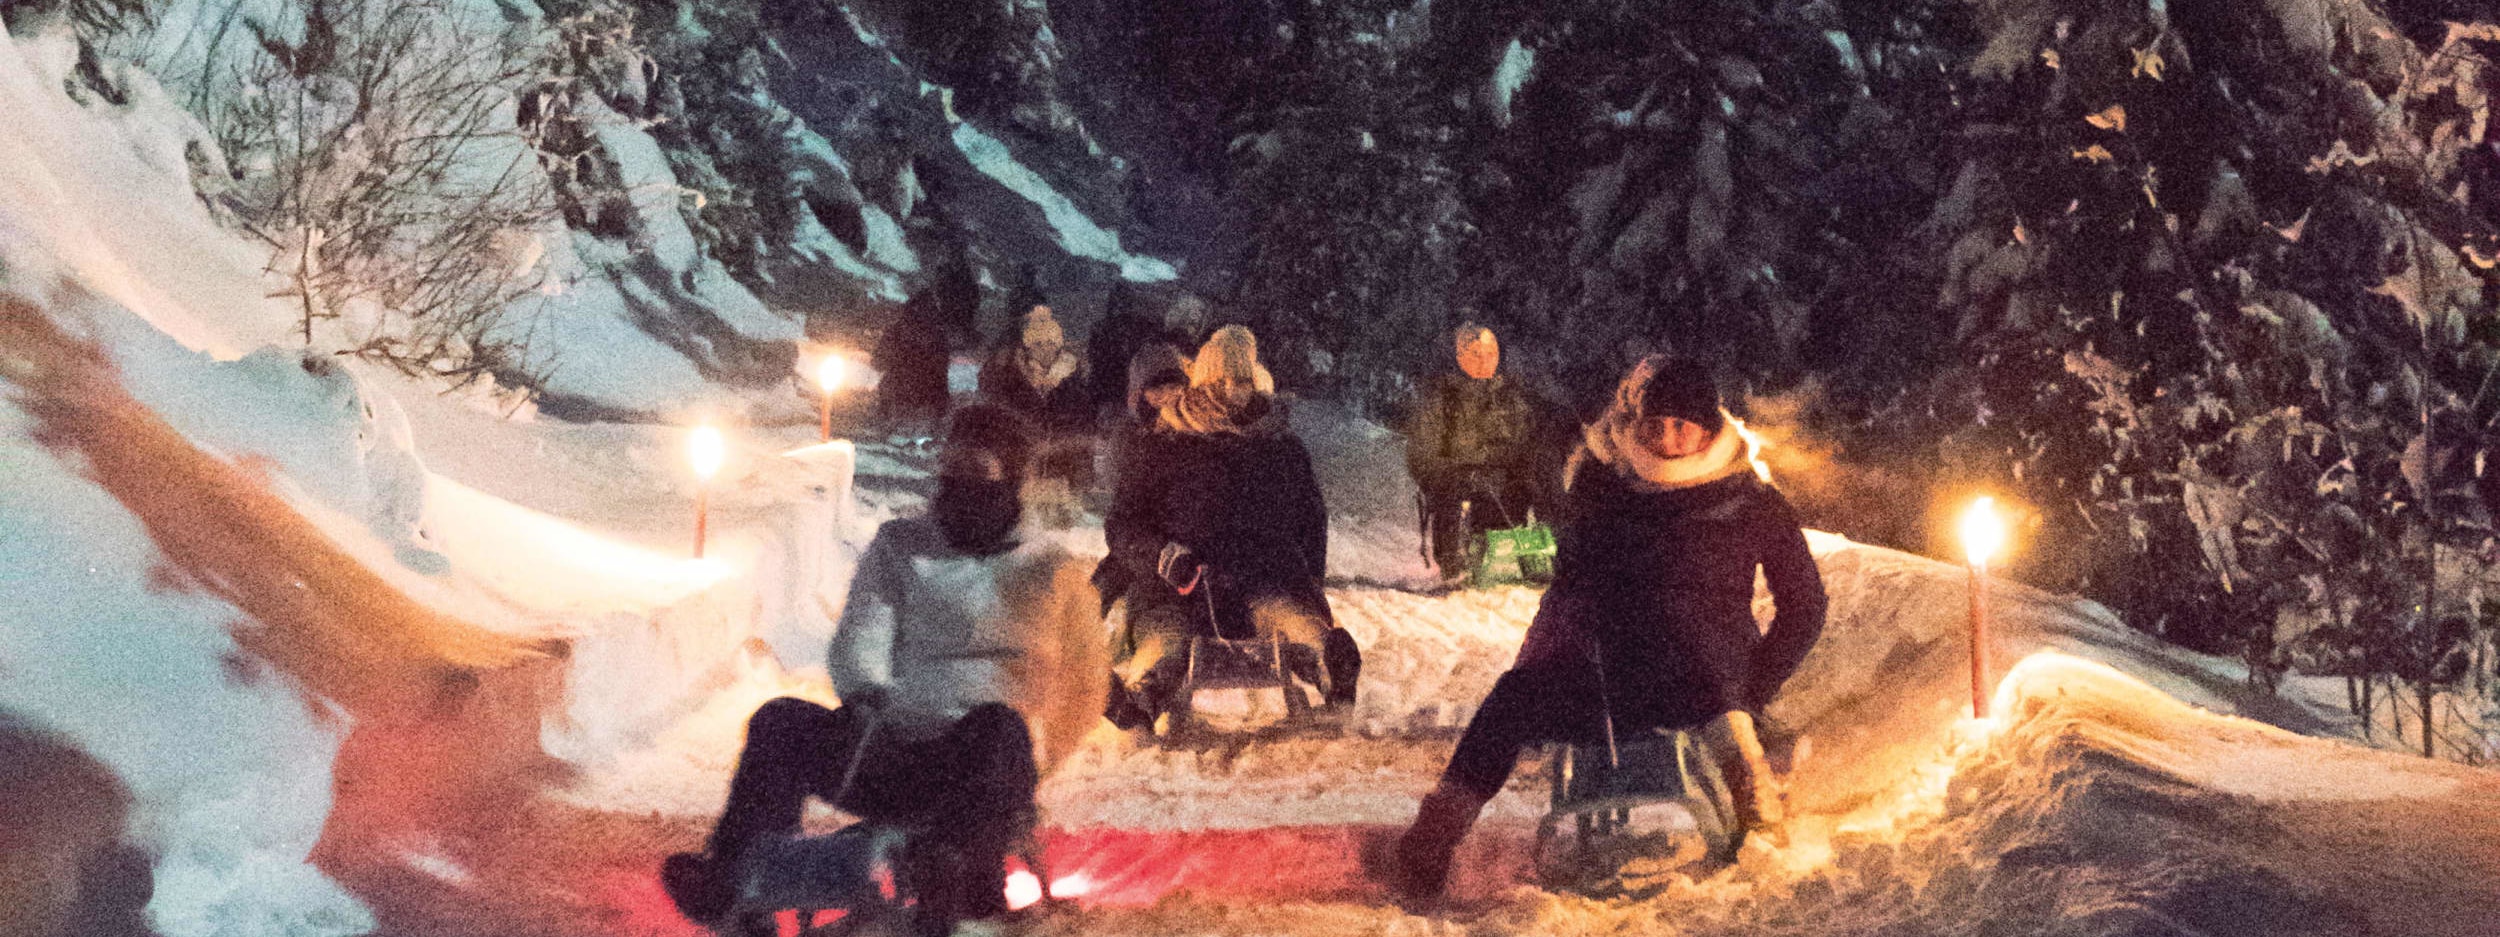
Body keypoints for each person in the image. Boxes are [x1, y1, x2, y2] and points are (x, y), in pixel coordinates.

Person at [1384, 355, 1827, 905]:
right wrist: (1547, 653)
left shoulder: (1749, 500)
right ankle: (1432, 839)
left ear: (1709, 427)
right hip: (1605, 678)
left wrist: (1755, 686)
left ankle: (1759, 828)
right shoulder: (1604, 490)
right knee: (1512, 700)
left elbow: (1804, 606)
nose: (1666, 437)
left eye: (1682, 424)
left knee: (1726, 719)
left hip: (1706, 684)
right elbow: (1571, 587)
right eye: (1655, 422)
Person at [662, 405, 1107, 926]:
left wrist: (1040, 763)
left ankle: (959, 874)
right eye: (955, 472)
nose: (964, 487)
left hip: (983, 765)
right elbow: (863, 632)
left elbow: (1084, 681)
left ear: (1010, 481)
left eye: (981, 473)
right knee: (779, 722)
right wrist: (865, 692)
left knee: (999, 728)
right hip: (892, 744)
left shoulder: (1050, 570)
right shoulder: (902, 546)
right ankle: (736, 878)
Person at [1103, 325, 1361, 724]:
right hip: (1178, 586)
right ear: (1201, 381)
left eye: (1241, 379)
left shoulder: (1278, 447)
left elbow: (1310, 521)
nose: (1232, 389)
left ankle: (1330, 667)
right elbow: (1124, 523)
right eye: (1220, 379)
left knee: (1290, 623)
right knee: (1167, 640)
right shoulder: (1162, 443)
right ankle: (1140, 700)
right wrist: (1161, 556)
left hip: (1262, 581)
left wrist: (1309, 581)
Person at [1404, 323, 1546, 581]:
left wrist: (1524, 474)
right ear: (1459, 357)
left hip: (1499, 478)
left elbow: (1527, 442)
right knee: (1454, 496)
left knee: (1530, 488)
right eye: (1475, 354)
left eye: (1491, 354)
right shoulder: (1442, 397)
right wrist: (1437, 478)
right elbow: (1422, 451)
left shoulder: (1511, 397)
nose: (1484, 361)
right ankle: (1454, 565)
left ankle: (1539, 559)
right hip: (1454, 478)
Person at [978, 305, 1091, 434]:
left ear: (1059, 345)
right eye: (1037, 344)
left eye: (1051, 343)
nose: (1045, 349)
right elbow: (995, 409)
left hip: (1062, 445)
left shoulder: (1073, 375)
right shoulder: (1005, 371)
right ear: (1027, 346)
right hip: (1018, 441)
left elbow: (1082, 419)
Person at [872, 290, 954, 444]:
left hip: (898, 391)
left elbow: (878, 361)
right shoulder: (938, 335)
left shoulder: (897, 329)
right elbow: (941, 372)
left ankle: (889, 428)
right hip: (926, 395)